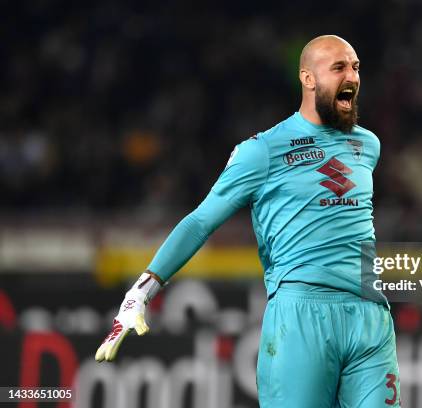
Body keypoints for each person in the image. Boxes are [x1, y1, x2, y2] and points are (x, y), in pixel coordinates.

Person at [95, 34, 401, 407]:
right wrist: (142, 291)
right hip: (300, 316)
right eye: (338, 67)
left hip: (370, 316)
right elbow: (200, 221)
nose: (351, 76)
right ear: (307, 78)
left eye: (355, 67)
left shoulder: (368, 145)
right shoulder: (262, 151)